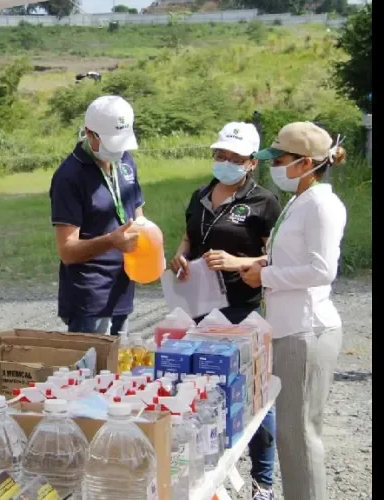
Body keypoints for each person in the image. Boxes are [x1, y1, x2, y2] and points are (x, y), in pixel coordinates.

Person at [168, 122, 280, 500]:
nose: (225, 162)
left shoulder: (265, 202)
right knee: (203, 394)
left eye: (235, 157)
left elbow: (275, 257)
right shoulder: (200, 194)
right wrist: (180, 256)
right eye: (220, 155)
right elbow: (189, 237)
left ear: (251, 163)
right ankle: (211, 475)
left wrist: (235, 261)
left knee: (252, 395)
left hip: (240, 312)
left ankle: (262, 481)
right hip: (198, 309)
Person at [240, 122, 347, 500]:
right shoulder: (301, 199)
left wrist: (265, 274)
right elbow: (292, 258)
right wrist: (255, 264)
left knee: (300, 435)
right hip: (290, 327)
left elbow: (322, 270)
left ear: (304, 163)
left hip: (307, 330)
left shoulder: (321, 203)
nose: (275, 167)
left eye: (280, 160)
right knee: (292, 434)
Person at [49, 95, 143, 336]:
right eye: (112, 144)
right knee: (89, 372)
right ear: (90, 134)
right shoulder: (69, 177)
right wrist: (112, 241)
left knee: (120, 370)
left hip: (123, 289)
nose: (118, 151)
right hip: (90, 299)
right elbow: (68, 251)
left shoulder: (125, 161)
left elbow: (137, 215)